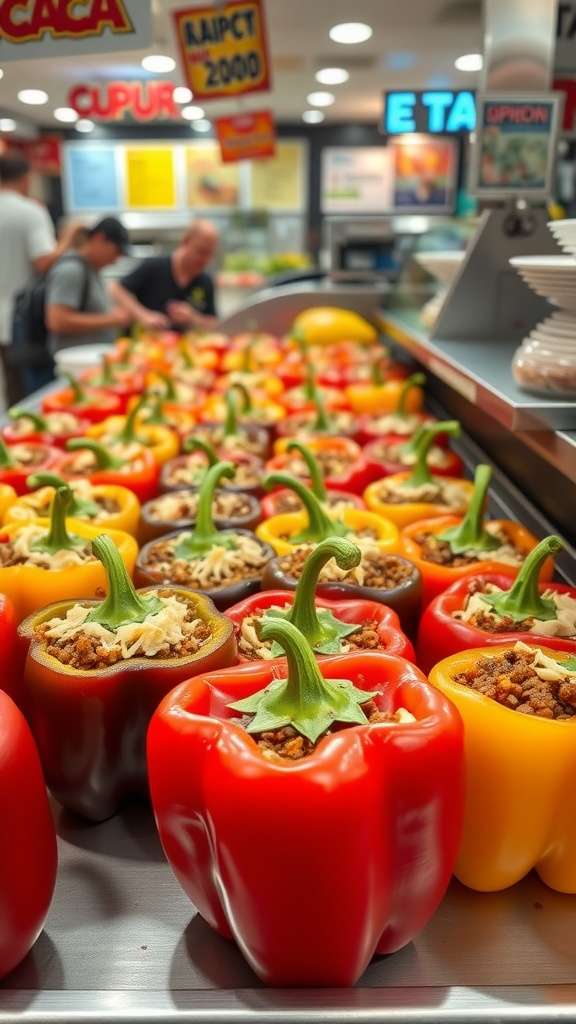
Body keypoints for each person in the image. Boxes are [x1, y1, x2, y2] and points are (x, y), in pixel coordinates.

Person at [0, 150, 81, 407]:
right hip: (21, 321)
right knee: (30, 396)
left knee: (10, 391)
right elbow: (44, 261)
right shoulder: (30, 212)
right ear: (26, 178)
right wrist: (69, 236)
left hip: (10, 319)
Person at [109, 219, 219, 333]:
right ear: (185, 242)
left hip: (185, 348)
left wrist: (193, 318)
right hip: (145, 345)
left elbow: (215, 324)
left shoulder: (206, 282)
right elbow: (117, 288)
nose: (205, 260)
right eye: (201, 252)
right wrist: (144, 315)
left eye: (210, 254)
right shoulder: (154, 267)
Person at [45, 216, 132, 356]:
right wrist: (112, 319)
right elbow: (57, 320)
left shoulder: (92, 270)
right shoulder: (72, 270)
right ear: (99, 238)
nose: (116, 259)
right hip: (73, 362)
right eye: (116, 251)